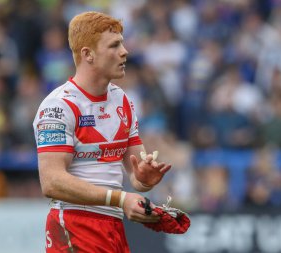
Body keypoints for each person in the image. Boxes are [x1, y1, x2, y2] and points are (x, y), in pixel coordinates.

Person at [33, 11, 172, 253]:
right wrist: (120, 199)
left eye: (123, 43)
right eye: (114, 45)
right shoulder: (58, 106)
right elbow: (51, 182)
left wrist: (143, 179)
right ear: (88, 54)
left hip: (113, 227)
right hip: (73, 227)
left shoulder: (123, 100)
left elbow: (135, 174)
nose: (125, 51)